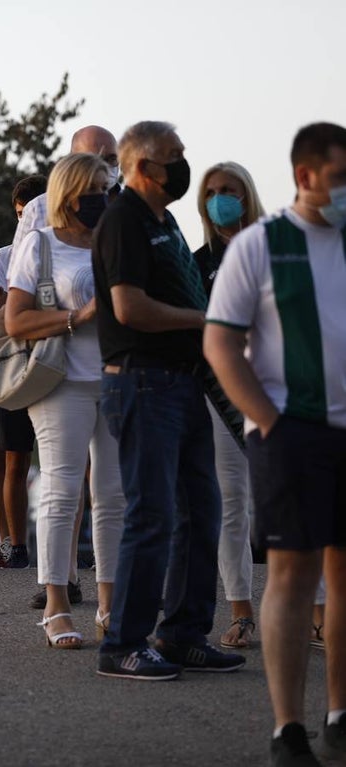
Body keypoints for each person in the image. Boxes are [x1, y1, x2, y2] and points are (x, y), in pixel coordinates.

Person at [204, 122, 346, 766]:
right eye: (340, 179)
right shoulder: (260, 246)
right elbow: (219, 344)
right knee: (293, 575)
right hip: (291, 433)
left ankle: (340, 712)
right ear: (305, 176)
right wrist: (269, 422)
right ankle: (288, 728)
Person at [92, 121, 245, 679]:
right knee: (151, 515)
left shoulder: (166, 220)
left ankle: (182, 634)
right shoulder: (123, 221)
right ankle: (123, 644)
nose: (182, 165)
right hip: (142, 382)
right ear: (140, 167)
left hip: (180, 382)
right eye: (172, 157)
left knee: (200, 512)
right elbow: (129, 308)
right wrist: (208, 318)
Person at [4, 153, 125, 649]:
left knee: (115, 496)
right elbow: (16, 322)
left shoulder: (117, 241)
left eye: (107, 185)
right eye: (94, 186)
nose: (103, 194)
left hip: (118, 379)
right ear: (69, 193)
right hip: (60, 382)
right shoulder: (40, 244)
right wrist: (79, 316)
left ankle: (111, 604)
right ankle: (55, 604)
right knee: (62, 489)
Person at [194, 161, 268, 650]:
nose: (221, 199)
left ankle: (316, 613)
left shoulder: (277, 250)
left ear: (248, 195)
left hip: (279, 390)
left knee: (295, 505)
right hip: (219, 396)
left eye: (230, 190)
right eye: (213, 192)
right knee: (232, 505)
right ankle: (241, 610)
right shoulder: (196, 262)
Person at [0, 177, 45, 569]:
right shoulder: (4, 258)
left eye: (36, 213)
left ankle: (81, 541)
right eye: (22, 215)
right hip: (18, 370)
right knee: (15, 460)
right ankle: (16, 542)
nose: (29, 222)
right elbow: (0, 315)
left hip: (63, 365)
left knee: (74, 463)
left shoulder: (71, 248)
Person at [13, 125, 120, 252]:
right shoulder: (38, 209)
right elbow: (19, 268)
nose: (104, 166)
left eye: (112, 159)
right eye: (93, 159)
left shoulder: (131, 208)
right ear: (72, 161)